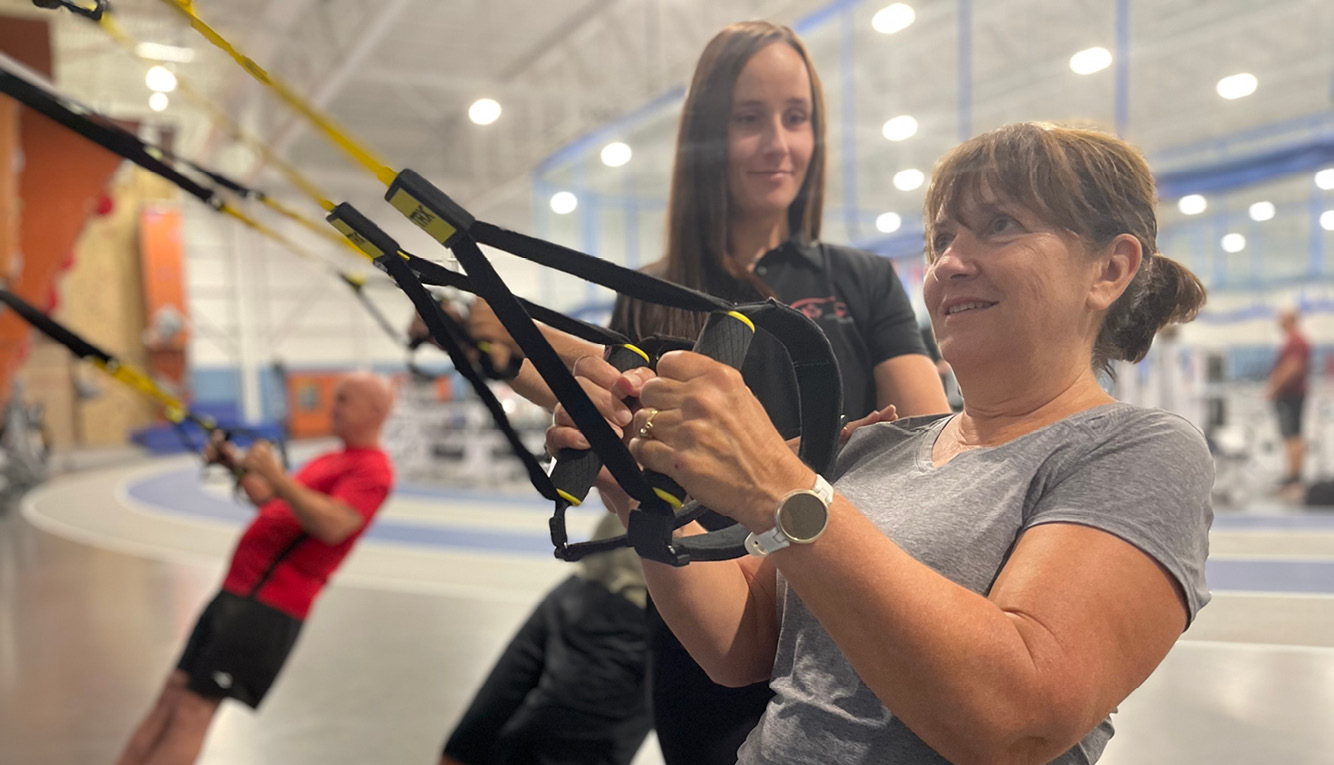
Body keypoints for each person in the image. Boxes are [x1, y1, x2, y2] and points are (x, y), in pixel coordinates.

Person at [550, 122, 1214, 763]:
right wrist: (638, 494)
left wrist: (783, 486)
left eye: (1000, 225)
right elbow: (742, 643)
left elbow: (1017, 723)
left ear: (1110, 268)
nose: (950, 262)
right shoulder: (879, 446)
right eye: (941, 238)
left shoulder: (1139, 451)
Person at [488, 21, 948, 763]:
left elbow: (932, 449)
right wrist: (605, 448)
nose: (779, 142)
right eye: (749, 118)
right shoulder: (648, 297)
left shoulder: (860, 280)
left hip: (840, 625)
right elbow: (634, 460)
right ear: (706, 136)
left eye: (796, 118)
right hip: (704, 626)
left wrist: (807, 461)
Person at [115, 372, 396, 765]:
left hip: (267, 608)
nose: (333, 407)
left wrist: (278, 476)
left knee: (193, 712)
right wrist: (236, 465)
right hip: (238, 592)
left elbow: (334, 524)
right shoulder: (332, 458)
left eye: (344, 400)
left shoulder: (373, 470)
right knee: (172, 696)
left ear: (376, 412)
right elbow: (274, 502)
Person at [440, 514, 652, 765]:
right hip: (644, 595)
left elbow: (501, 692)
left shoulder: (571, 593)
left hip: (608, 578)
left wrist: (459, 751)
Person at [1268, 306, 1311, 488]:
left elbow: (1292, 368)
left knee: (1292, 435)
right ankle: (1294, 474)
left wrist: (1274, 388)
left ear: (1290, 320)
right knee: (1293, 434)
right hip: (1292, 394)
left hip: (1290, 394)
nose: (1278, 322)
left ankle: (1294, 475)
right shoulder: (1294, 340)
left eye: (1281, 319)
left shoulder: (1296, 341)